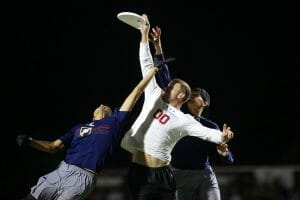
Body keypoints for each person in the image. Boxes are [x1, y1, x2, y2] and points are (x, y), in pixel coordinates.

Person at [120, 13, 234, 200]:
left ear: (180, 95)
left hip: (162, 175)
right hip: (137, 171)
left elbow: (209, 134)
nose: (167, 84)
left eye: (172, 85)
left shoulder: (184, 120)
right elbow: (146, 63)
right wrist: (144, 35)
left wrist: (223, 136)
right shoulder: (154, 94)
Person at [16, 64, 162, 200]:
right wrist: (30, 141)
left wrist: (153, 71)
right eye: (100, 104)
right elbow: (53, 146)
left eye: (105, 106)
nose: (101, 105)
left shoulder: (114, 122)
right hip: (61, 170)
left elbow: (136, 92)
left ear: (110, 113)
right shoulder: (77, 128)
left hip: (84, 176)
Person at [149, 25, 234, 200]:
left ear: (205, 102)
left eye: (194, 95)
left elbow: (228, 160)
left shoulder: (209, 126)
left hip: (204, 176)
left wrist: (225, 152)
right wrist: (158, 47)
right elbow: (166, 79)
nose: (189, 97)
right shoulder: (176, 116)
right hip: (178, 175)